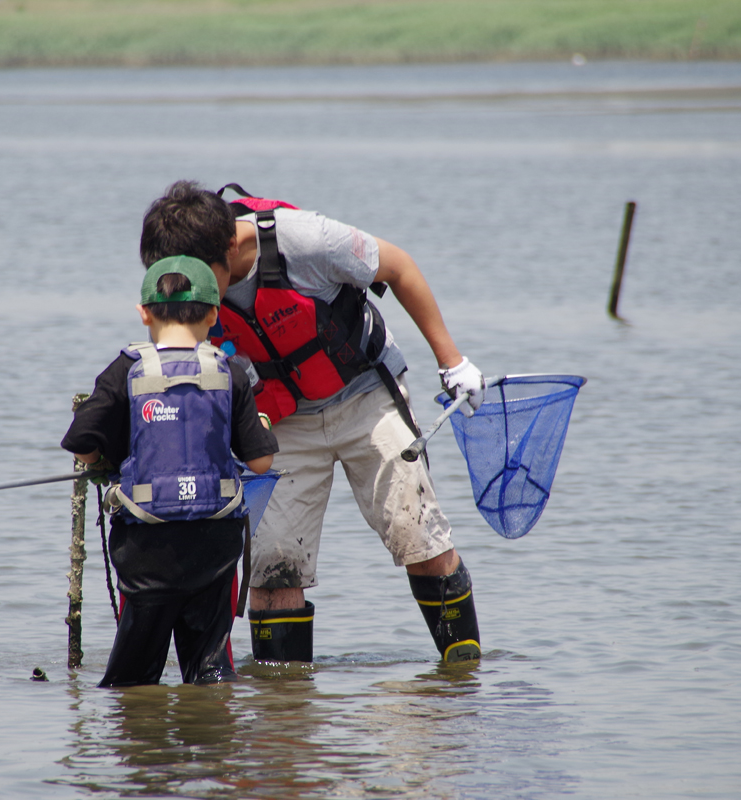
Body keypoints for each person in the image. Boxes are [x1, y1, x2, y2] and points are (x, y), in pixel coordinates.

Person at [137, 181, 486, 664]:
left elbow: (399, 267)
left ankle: (461, 679)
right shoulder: (183, 294)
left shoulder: (305, 240)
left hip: (365, 394)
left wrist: (452, 362)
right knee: (274, 569)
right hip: (282, 420)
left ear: (229, 248)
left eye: (194, 277)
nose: (182, 293)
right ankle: (284, 715)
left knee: (419, 535)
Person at [60, 255, 278, 687]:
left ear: (144, 312)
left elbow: (82, 442)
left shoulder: (126, 369)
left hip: (146, 550)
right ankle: (213, 736)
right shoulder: (229, 371)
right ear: (214, 314)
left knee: (132, 681)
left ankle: (142, 742)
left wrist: (111, 460)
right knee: (210, 673)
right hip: (214, 547)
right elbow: (261, 462)